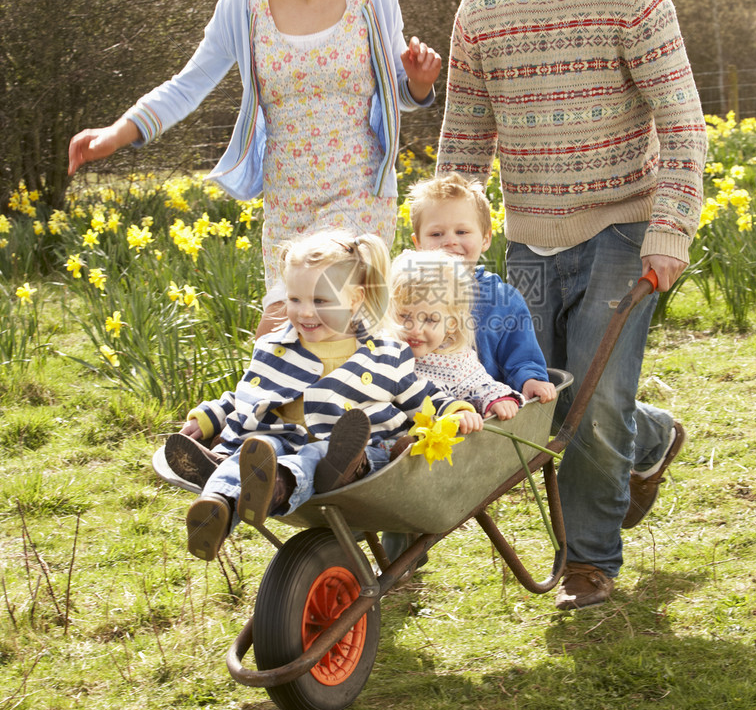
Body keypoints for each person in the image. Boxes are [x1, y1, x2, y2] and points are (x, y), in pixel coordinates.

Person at [436, 0, 707, 611]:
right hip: (529, 235)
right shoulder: (481, 7)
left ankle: (590, 562)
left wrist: (670, 231)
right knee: (550, 406)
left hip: (624, 227)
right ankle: (652, 438)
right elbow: (464, 135)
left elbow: (683, 123)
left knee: (590, 399)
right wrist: (442, 246)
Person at [67, 0, 441, 334]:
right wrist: (118, 132)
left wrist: (420, 83)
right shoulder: (242, 7)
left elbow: (400, 92)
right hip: (286, 197)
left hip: (359, 189)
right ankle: (282, 408)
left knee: (318, 321)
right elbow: (188, 84)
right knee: (290, 334)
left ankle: (316, 405)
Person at [165, 229, 482, 561]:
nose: (304, 313)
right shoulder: (277, 346)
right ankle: (216, 507)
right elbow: (249, 393)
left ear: (355, 300)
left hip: (353, 454)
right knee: (253, 450)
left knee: (316, 455)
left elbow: (421, 397)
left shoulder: (384, 353)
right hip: (281, 437)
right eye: (295, 299)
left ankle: (275, 487)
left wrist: (455, 409)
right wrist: (209, 417)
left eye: (320, 301)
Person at [381, 248, 523, 566]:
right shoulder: (382, 352)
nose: (415, 329)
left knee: (403, 473)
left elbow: (481, 385)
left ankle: (400, 559)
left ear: (452, 325)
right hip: (383, 447)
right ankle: (398, 558)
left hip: (430, 457)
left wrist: (499, 400)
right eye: (404, 316)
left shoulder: (455, 361)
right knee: (384, 485)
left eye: (430, 319)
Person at [406, 172, 556, 404]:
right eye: (436, 234)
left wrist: (530, 380)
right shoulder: (406, 294)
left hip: (487, 408)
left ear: (485, 239)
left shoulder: (503, 300)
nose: (450, 241)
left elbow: (521, 357)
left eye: (462, 232)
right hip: (418, 407)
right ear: (418, 244)